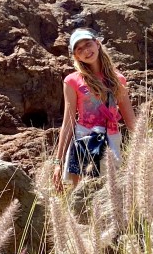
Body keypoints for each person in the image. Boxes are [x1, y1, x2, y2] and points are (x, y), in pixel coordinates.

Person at [52, 28, 137, 191]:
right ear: (76, 56)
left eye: (88, 44)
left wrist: (149, 148)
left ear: (97, 44)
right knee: (81, 197)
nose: (86, 51)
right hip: (84, 141)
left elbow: (131, 119)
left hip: (112, 142)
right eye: (79, 49)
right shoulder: (72, 81)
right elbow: (68, 122)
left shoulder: (118, 80)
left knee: (109, 194)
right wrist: (58, 162)